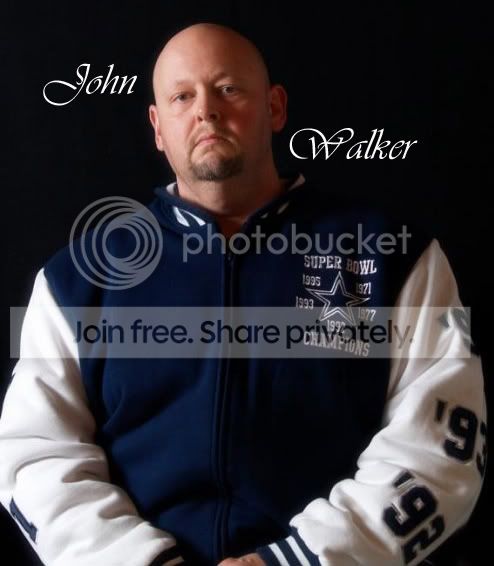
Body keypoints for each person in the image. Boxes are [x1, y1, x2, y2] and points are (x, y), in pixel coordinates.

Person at [0, 22, 487, 566]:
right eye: (182, 97)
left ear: (275, 108)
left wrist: (292, 560)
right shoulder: (78, 278)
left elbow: (441, 447)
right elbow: (35, 453)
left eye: (228, 89)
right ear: (158, 128)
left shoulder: (393, 255)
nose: (206, 111)